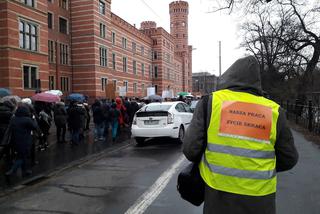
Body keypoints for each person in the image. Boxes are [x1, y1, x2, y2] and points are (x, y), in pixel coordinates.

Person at [183, 56, 299, 214]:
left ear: (230, 76)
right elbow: (289, 159)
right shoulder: (274, 111)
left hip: (218, 198)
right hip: (260, 200)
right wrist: (256, 168)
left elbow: (190, 150)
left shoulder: (211, 103)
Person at [5, 105, 39, 177]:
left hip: (15, 140)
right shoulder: (27, 119)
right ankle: (12, 170)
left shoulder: (13, 119)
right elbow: (34, 127)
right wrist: (33, 119)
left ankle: (26, 170)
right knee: (24, 156)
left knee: (21, 155)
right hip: (26, 140)